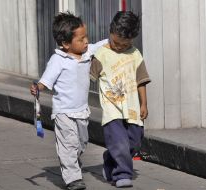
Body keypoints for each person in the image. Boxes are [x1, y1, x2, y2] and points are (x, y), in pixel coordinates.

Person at [30, 12, 107, 190]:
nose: (86, 41)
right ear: (65, 44)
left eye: (86, 37)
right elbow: (45, 80)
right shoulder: (58, 60)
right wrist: (38, 88)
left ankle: (71, 159)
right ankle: (73, 178)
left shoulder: (87, 52)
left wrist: (115, 39)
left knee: (81, 143)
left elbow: (101, 44)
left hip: (82, 110)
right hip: (63, 112)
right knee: (69, 144)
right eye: (81, 39)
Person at [90, 11, 151, 188]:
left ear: (132, 40)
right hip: (112, 109)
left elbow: (142, 81)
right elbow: (86, 76)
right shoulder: (101, 54)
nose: (118, 47)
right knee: (119, 142)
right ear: (111, 31)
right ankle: (123, 174)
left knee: (135, 141)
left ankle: (110, 158)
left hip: (132, 108)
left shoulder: (135, 54)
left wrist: (144, 104)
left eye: (124, 45)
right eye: (116, 42)